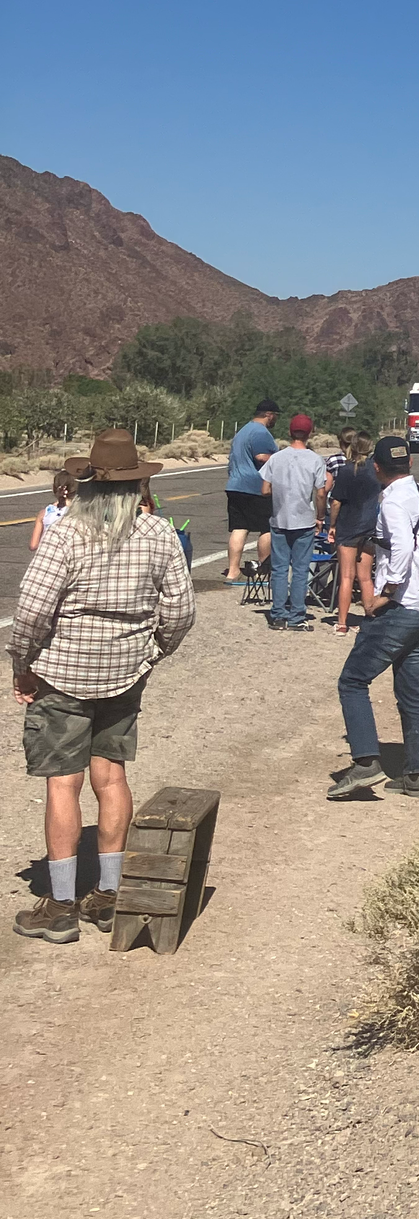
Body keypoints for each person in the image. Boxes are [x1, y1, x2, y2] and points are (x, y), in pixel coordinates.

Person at [11, 428, 196, 943]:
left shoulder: (66, 533)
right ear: (138, 485)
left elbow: (30, 612)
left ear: (88, 483)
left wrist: (22, 665)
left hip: (63, 674)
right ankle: (109, 894)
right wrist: (151, 653)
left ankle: (62, 905)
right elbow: (180, 613)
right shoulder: (158, 534)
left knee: (62, 782)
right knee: (110, 777)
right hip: (124, 673)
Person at [328, 436, 419, 802]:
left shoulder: (393, 501)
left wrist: (386, 594)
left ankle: (366, 762)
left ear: (377, 467)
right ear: (409, 464)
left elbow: (403, 549)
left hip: (400, 610)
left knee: (352, 681)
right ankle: (416, 776)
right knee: (412, 694)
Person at [261, 414, 331, 631]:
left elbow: (265, 489)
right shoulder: (315, 459)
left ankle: (278, 614)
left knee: (280, 568)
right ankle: (297, 615)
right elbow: (320, 493)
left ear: (290, 432)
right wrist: (320, 517)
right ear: (310, 434)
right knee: (300, 569)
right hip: (304, 520)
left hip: (280, 518)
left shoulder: (276, 458)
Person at [328, 432, 381, 633]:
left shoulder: (346, 471)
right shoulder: (376, 471)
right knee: (365, 577)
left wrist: (332, 525)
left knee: (346, 577)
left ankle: (342, 623)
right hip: (369, 525)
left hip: (348, 526)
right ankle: (369, 617)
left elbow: (336, 502)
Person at [224, 400, 280, 588]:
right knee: (266, 527)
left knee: (240, 528)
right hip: (255, 486)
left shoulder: (243, 431)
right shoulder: (260, 432)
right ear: (269, 414)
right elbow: (262, 457)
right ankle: (264, 570)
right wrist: (282, 458)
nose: (275, 420)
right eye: (276, 416)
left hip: (235, 484)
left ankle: (233, 571)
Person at [29, 474, 74, 554]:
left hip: (47, 557)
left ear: (54, 488)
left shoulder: (44, 513)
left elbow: (33, 545)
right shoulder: (77, 513)